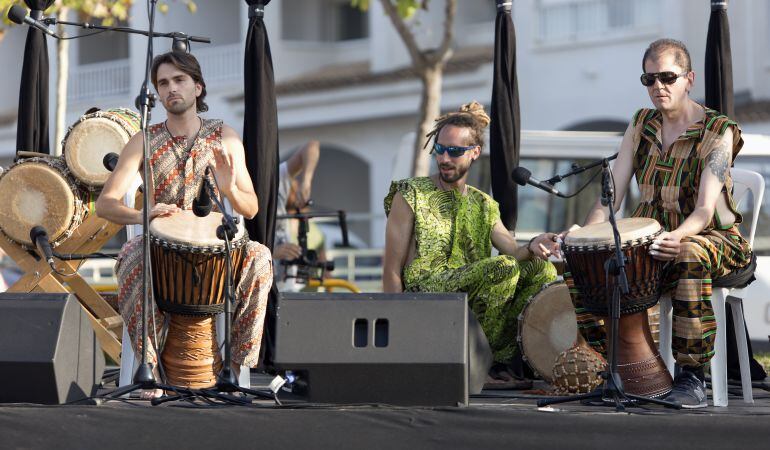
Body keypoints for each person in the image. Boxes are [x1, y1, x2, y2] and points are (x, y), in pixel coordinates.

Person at [530, 39, 753, 407]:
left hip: (714, 240)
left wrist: (677, 235)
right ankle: (623, 369)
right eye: (648, 79)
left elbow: (704, 211)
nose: (658, 87)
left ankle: (691, 376)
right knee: (579, 255)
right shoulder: (641, 124)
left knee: (688, 253)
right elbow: (610, 198)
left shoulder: (719, 130)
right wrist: (583, 234)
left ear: (689, 79)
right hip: (652, 241)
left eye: (667, 77)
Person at [95, 51, 273, 395]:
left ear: (198, 87)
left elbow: (250, 208)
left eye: (179, 80)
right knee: (131, 255)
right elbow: (106, 204)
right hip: (162, 251)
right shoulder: (143, 140)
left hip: (219, 250)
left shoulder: (226, 137)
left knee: (261, 258)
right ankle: (152, 373)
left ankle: (235, 371)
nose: (170, 88)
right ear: (158, 93)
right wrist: (142, 215)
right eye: (163, 83)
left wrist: (228, 188)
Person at [383, 101, 558, 388]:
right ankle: (481, 367)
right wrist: (396, 330)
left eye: (454, 151)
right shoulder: (410, 193)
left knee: (541, 271)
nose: (444, 158)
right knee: (502, 269)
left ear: (475, 153)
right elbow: (391, 266)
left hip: (471, 288)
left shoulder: (483, 203)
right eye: (439, 149)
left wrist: (537, 242)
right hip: (425, 289)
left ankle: (518, 359)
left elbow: (513, 250)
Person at [273, 141, 321, 286]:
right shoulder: (239, 188)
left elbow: (312, 145)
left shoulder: (277, 177)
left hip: (286, 282)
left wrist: (306, 181)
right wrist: (271, 252)